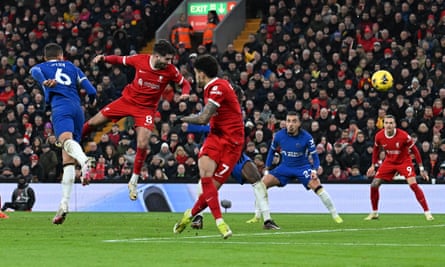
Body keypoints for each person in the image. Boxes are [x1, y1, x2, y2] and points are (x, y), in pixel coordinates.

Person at [83, 39, 191, 201]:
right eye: (167, 59)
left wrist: (186, 93)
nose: (170, 62)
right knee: (93, 123)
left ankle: (133, 180)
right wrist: (104, 58)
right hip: (127, 101)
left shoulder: (170, 70)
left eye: (170, 60)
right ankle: (72, 142)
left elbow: (185, 83)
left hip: (145, 110)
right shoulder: (140, 59)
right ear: (156, 56)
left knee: (142, 142)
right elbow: (120, 60)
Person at [173, 55, 244, 239]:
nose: (195, 77)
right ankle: (220, 222)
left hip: (233, 143)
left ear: (201, 74)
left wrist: (182, 119)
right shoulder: (211, 87)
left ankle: (189, 215)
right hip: (215, 137)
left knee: (210, 189)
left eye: (196, 73)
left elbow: (203, 118)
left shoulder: (218, 88)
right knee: (206, 177)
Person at [30, 43, 97, 224]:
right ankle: (63, 206)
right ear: (61, 56)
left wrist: (44, 80)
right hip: (78, 110)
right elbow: (92, 91)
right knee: (67, 160)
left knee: (65, 141)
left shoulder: (43, 67)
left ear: (46, 58)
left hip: (61, 107)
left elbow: (33, 71)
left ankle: (84, 161)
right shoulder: (73, 67)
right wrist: (91, 100)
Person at [254, 111, 343, 229]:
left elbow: (315, 156)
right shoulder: (279, 135)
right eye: (288, 121)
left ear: (299, 123)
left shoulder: (306, 137)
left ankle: (334, 214)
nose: (290, 124)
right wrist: (267, 168)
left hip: (302, 167)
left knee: (317, 186)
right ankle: (262, 218)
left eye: (294, 121)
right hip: (284, 167)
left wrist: (314, 170)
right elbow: (271, 152)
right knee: (261, 184)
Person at [182, 123, 267, 230]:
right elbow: (202, 128)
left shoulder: (230, 120)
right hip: (218, 156)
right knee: (203, 184)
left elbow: (242, 131)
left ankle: (266, 218)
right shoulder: (213, 125)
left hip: (232, 156)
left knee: (256, 180)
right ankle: (198, 217)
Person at [365, 115, 434, 221]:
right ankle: (374, 213)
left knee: (413, 185)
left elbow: (415, 150)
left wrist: (421, 168)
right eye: (387, 123)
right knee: (374, 184)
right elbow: (376, 150)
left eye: (391, 123)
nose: (388, 125)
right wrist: (373, 165)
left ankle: (427, 212)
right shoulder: (379, 136)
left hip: (404, 161)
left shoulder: (403, 136)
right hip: (389, 162)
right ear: (383, 124)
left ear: (395, 125)